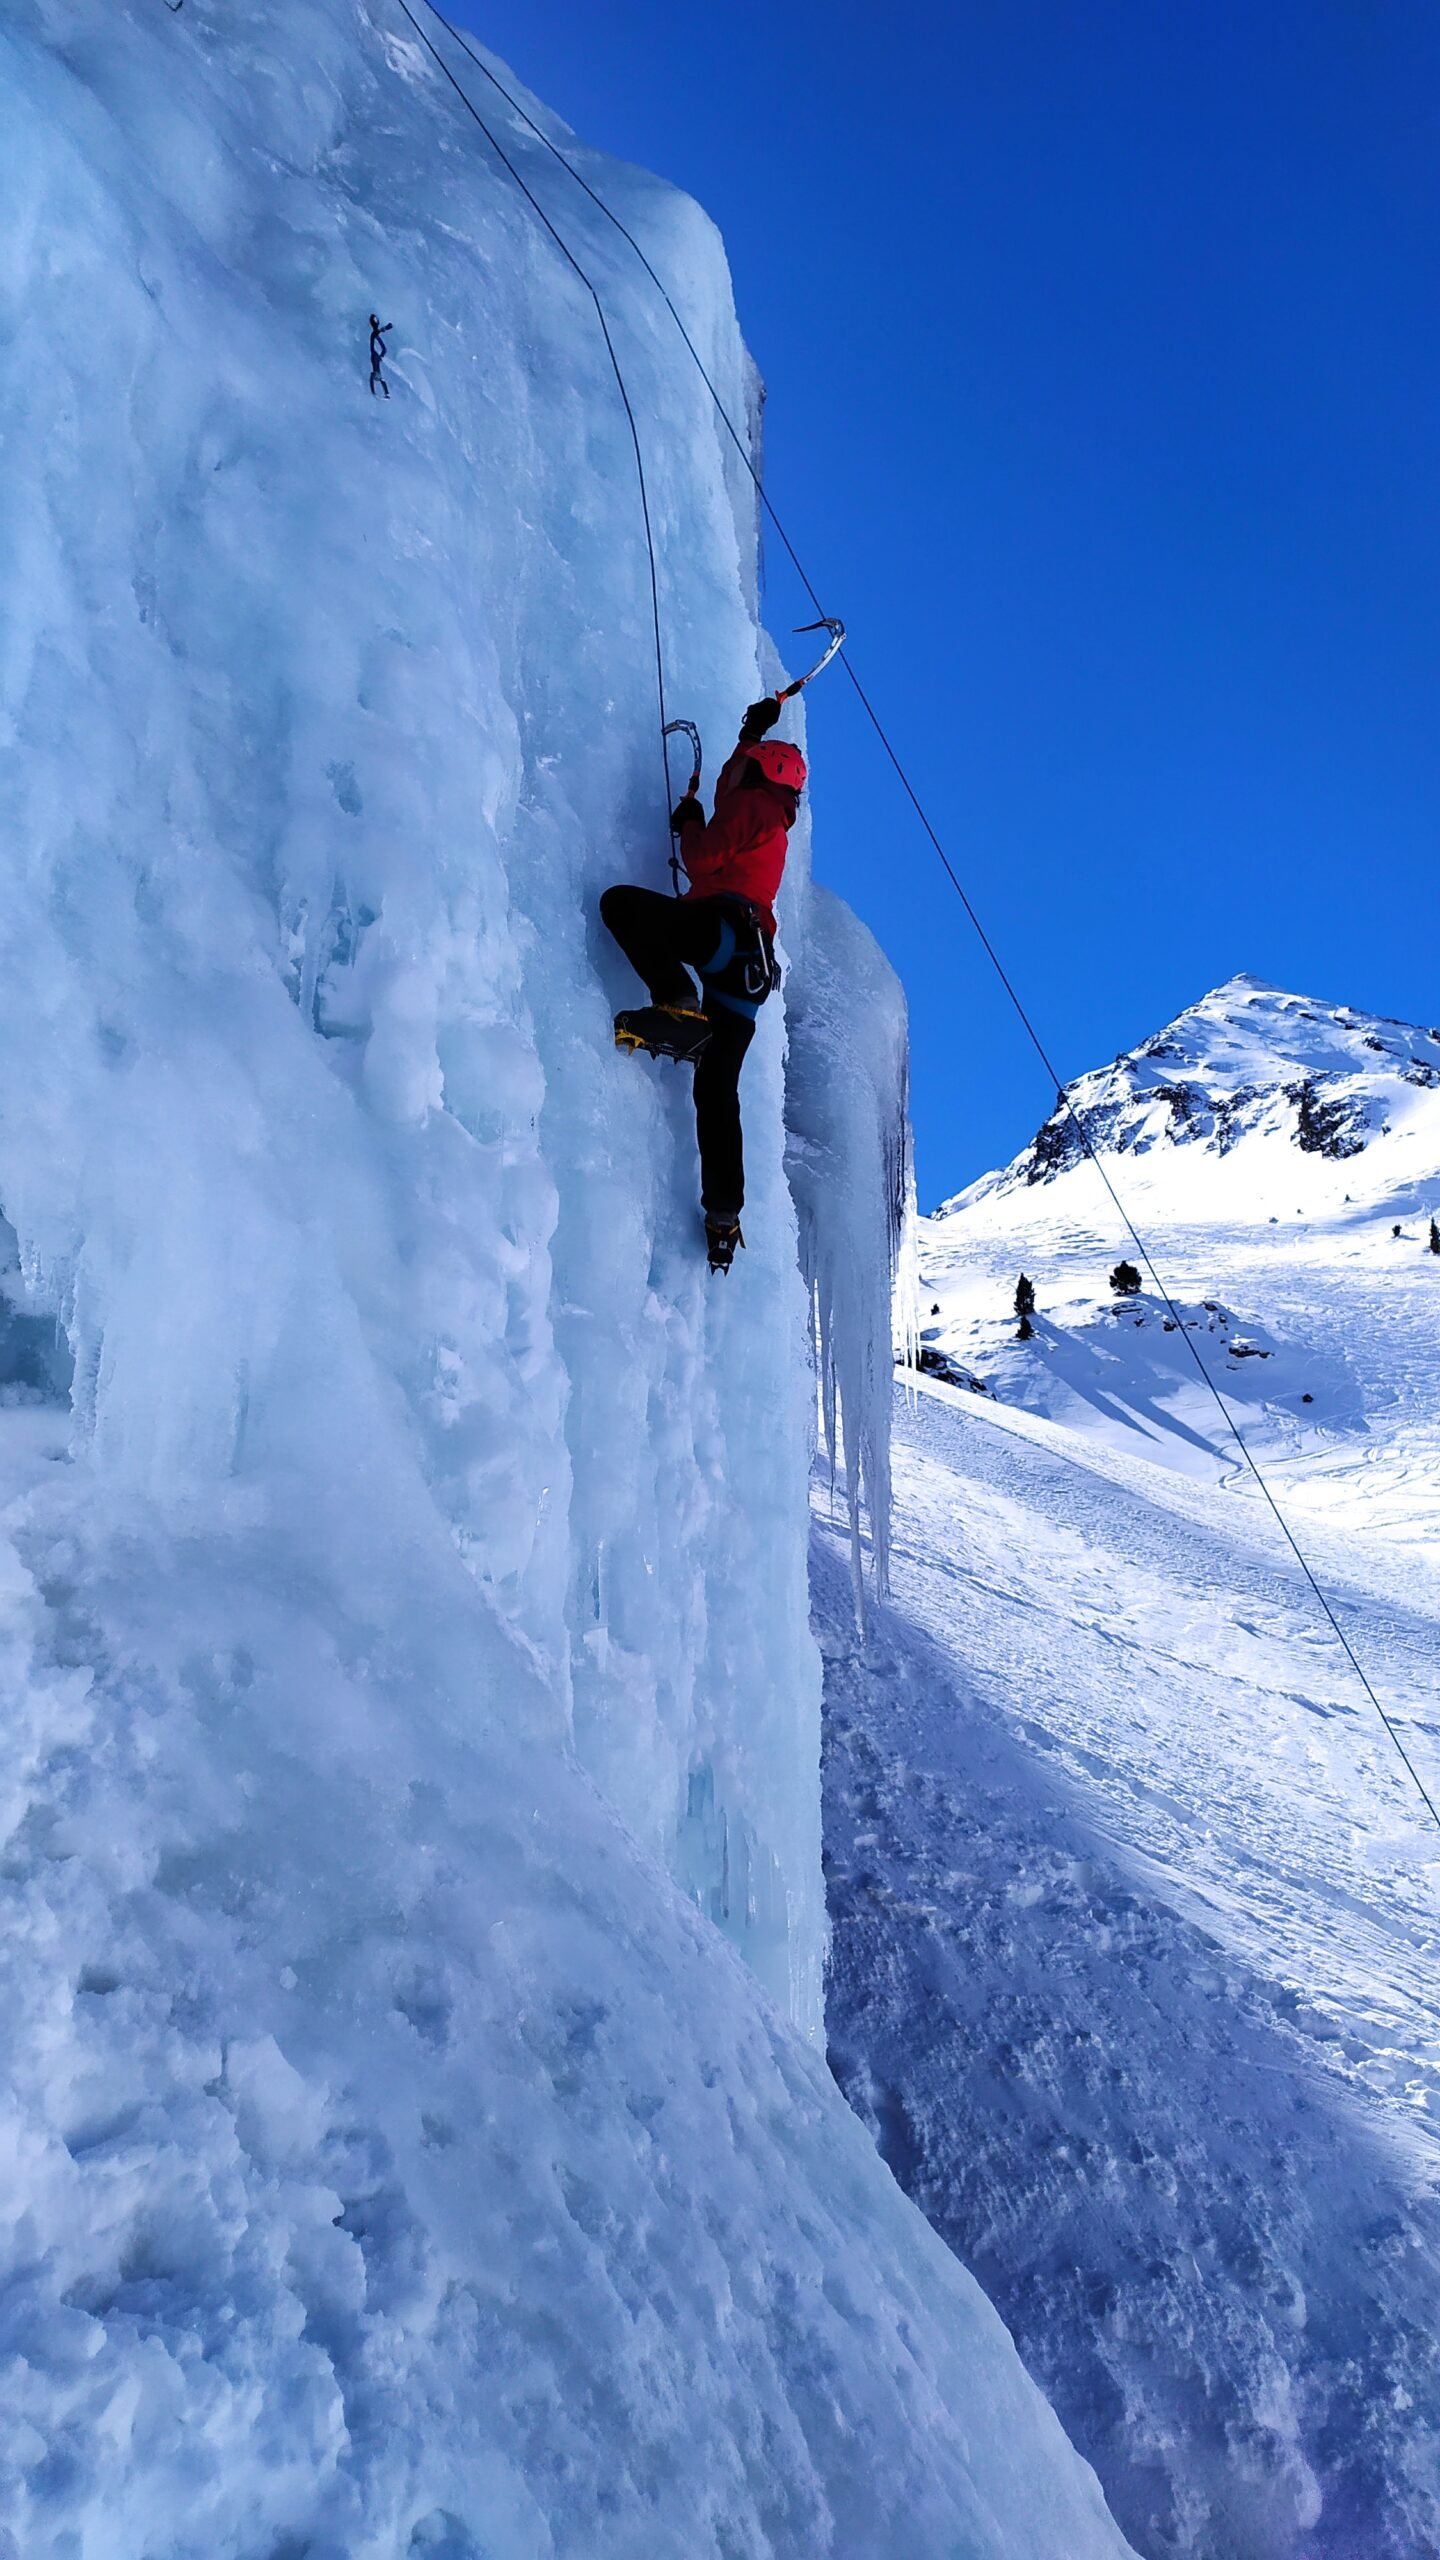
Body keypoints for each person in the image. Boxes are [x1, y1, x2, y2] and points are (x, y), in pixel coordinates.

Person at [601, 697, 805, 1273]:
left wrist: (689, 823)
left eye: (746, 765)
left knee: (622, 906)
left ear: (759, 775)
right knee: (716, 1094)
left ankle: (676, 999)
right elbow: (728, 786)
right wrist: (750, 732)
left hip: (724, 937)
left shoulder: (756, 807)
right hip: (749, 973)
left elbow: (706, 852)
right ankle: (724, 1217)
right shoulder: (771, 816)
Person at [368, 315, 392, 398]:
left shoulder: (374, 335)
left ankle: (382, 394)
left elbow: (384, 348)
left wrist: (381, 356)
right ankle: (383, 394)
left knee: (377, 375)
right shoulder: (374, 334)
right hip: (376, 355)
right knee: (378, 376)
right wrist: (385, 328)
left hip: (375, 355)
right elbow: (377, 332)